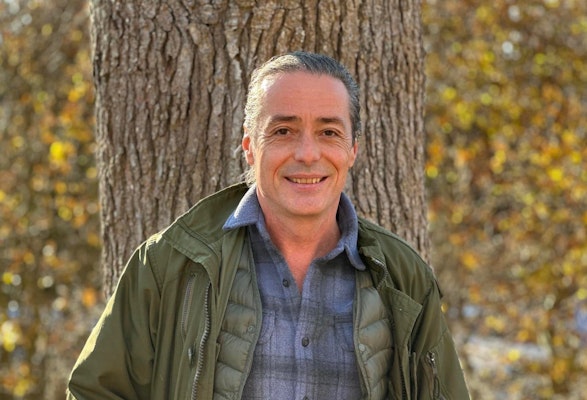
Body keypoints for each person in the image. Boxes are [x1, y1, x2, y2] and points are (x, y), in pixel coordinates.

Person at [67, 51, 470, 399]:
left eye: (328, 132)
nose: (307, 153)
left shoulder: (404, 281)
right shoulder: (168, 265)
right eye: (283, 131)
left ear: (352, 150)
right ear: (249, 147)